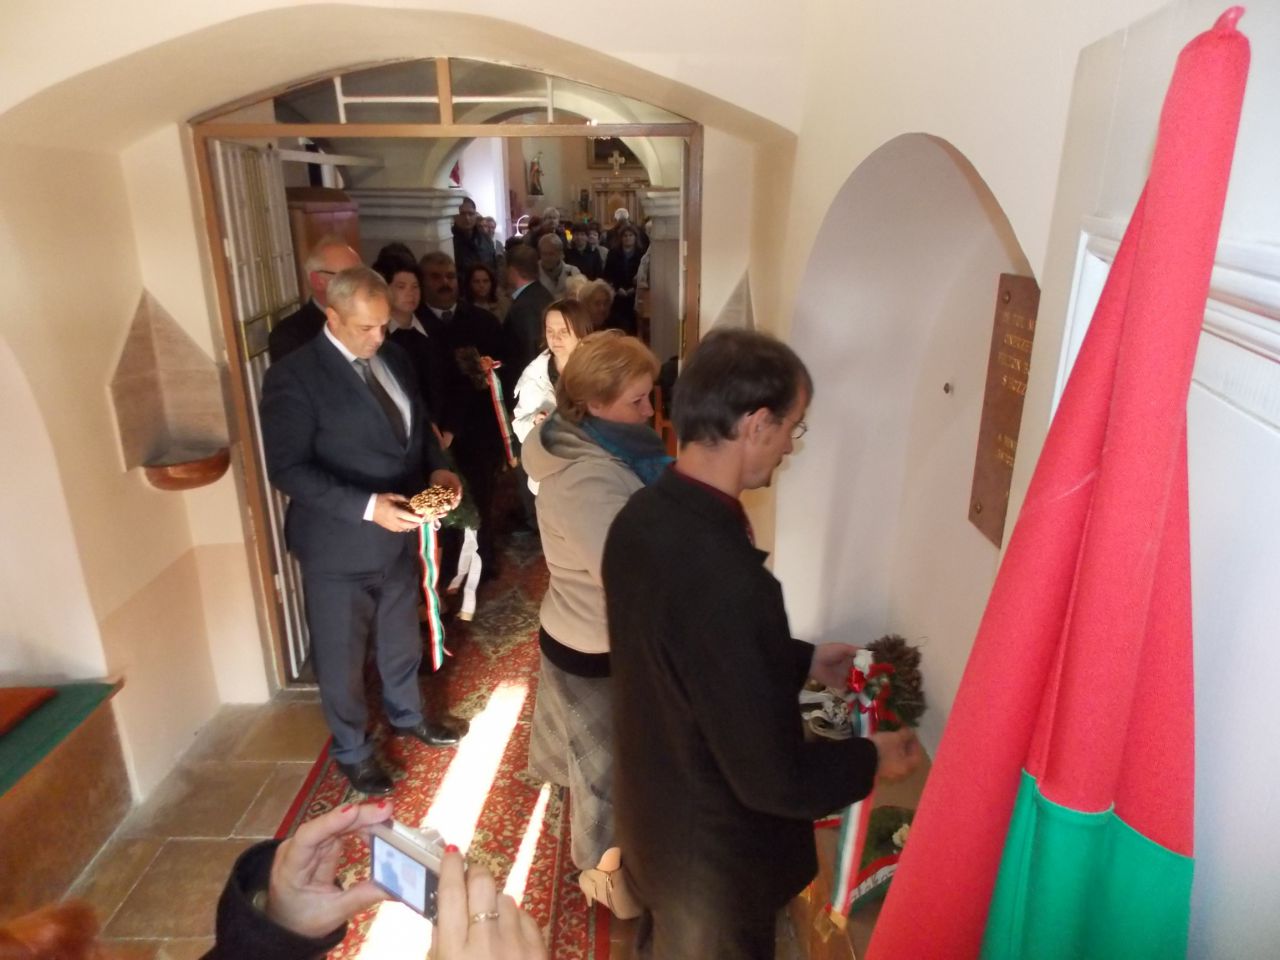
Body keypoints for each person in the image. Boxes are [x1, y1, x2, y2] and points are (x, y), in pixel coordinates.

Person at [603, 328, 922, 959]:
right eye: (792, 427)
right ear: (756, 424)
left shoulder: (641, 518)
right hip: (711, 870)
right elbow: (774, 781)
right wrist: (870, 759)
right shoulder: (730, 579)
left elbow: (687, 651)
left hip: (655, 821)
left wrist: (804, 659)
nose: (790, 446)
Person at [260, 267, 465, 796]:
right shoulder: (294, 376)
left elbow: (417, 429)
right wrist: (369, 507)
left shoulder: (393, 357)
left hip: (399, 533)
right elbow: (287, 469)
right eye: (365, 328)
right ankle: (352, 748)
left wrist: (438, 468)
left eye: (383, 325)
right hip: (338, 543)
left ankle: (407, 714)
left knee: (400, 635)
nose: (378, 337)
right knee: (342, 654)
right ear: (332, 317)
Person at [522, 331, 671, 919]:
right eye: (637, 400)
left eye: (649, 395)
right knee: (606, 779)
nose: (649, 411)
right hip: (595, 648)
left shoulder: (607, 446)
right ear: (594, 403)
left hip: (592, 631)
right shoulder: (586, 477)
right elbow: (631, 576)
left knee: (608, 767)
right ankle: (607, 882)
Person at [416, 252, 510, 577]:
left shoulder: (482, 322)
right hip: (436, 434)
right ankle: (450, 572)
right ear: (422, 281)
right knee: (443, 507)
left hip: (478, 431)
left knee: (482, 500)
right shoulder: (415, 326)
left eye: (450, 276)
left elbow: (505, 369)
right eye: (435, 277)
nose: (445, 283)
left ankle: (483, 565)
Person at [511, 298, 594, 489]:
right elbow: (519, 422)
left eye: (563, 331)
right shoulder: (534, 374)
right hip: (550, 474)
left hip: (592, 471)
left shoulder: (599, 372)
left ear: (581, 332)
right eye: (550, 331)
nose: (555, 339)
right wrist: (534, 422)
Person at [374, 259, 448, 439]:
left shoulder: (435, 329)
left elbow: (453, 381)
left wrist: (449, 430)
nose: (410, 293)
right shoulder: (376, 338)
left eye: (415, 287)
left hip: (442, 431)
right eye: (401, 287)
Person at [269, 236, 361, 362]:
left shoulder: (373, 321)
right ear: (318, 281)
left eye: (362, 275)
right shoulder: (289, 335)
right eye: (348, 277)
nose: (361, 284)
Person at [504, 245, 554, 380]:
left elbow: (529, 350)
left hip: (530, 381)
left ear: (512, 270)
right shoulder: (542, 294)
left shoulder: (524, 306)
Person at [602, 225, 643, 334]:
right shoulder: (613, 254)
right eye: (625, 236)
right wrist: (617, 288)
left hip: (635, 295)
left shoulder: (641, 254)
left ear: (635, 237)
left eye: (630, 235)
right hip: (617, 295)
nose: (628, 238)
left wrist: (634, 288)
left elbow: (644, 275)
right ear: (620, 238)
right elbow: (607, 274)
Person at [535, 233, 583, 299]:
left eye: (551, 254)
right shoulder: (532, 272)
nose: (547, 258)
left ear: (560, 254)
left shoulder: (573, 272)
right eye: (544, 254)